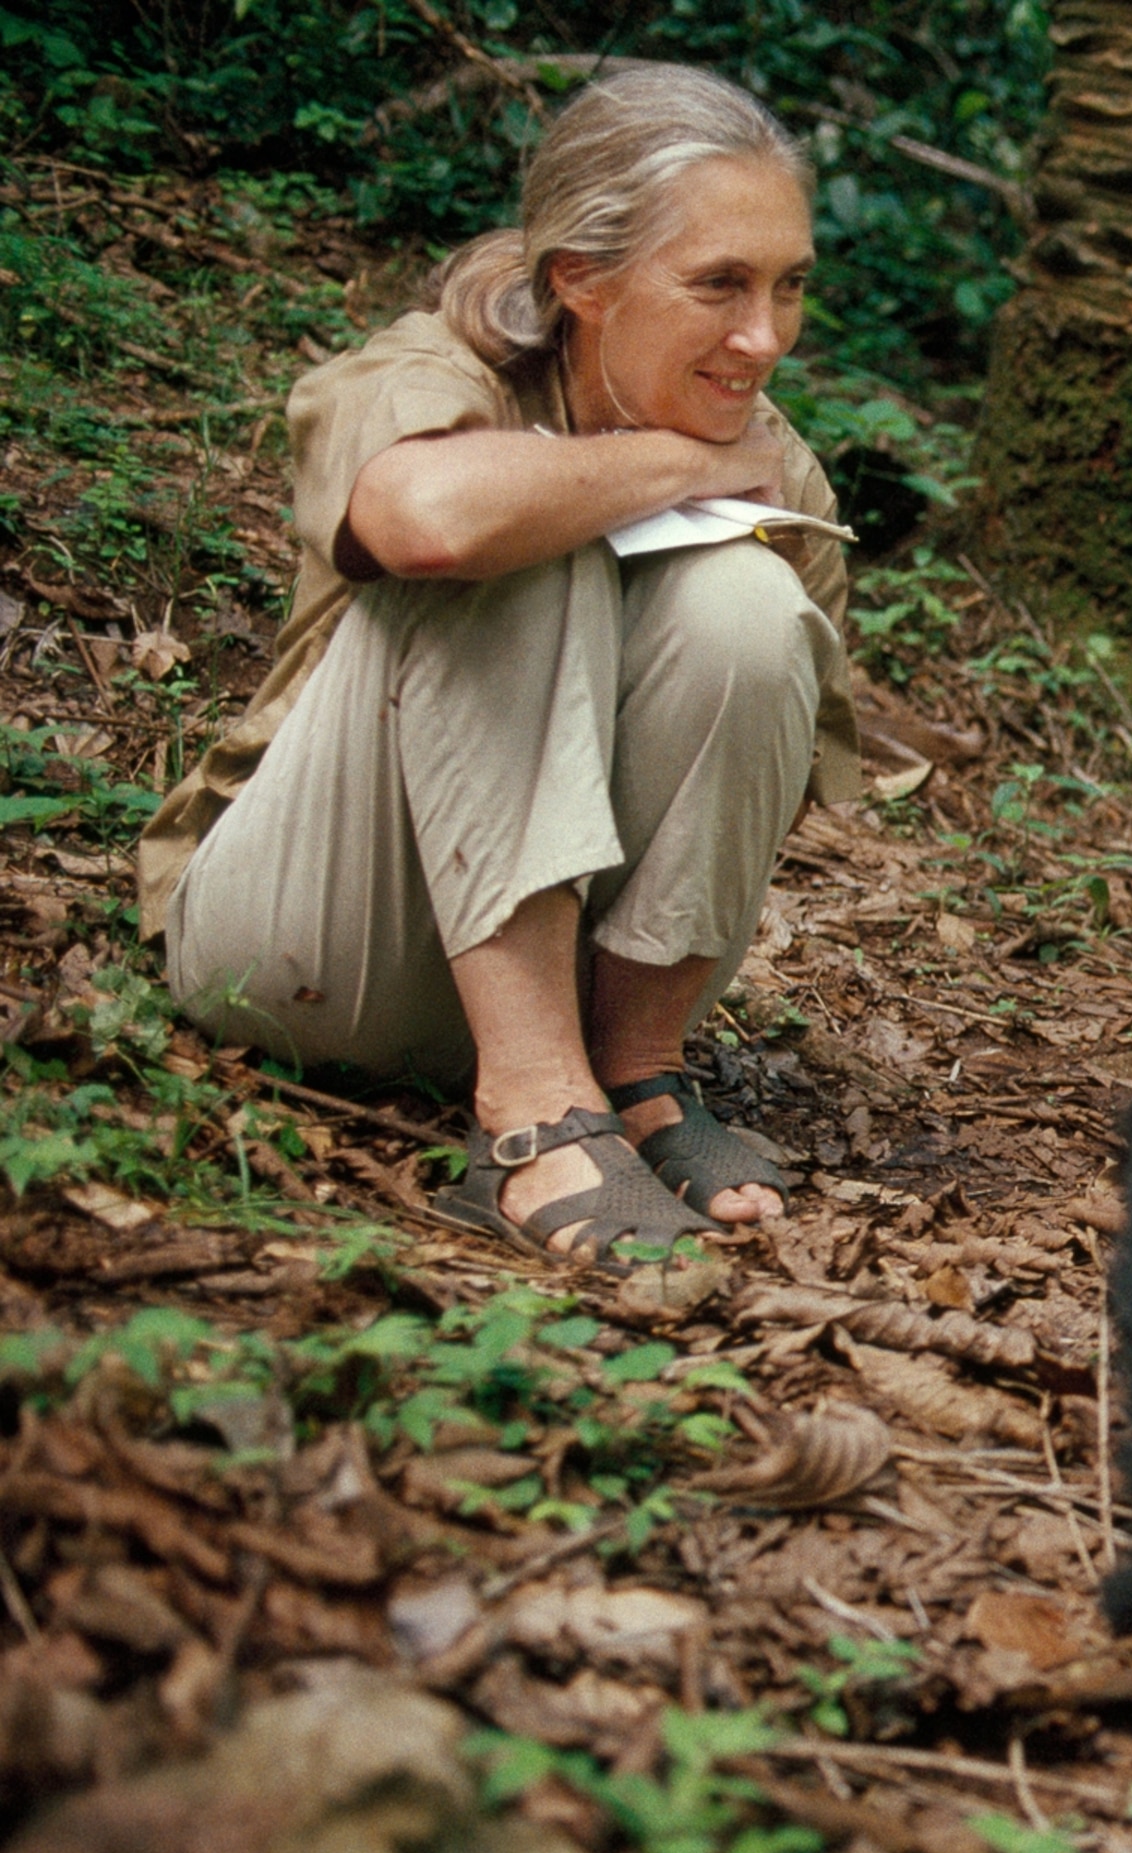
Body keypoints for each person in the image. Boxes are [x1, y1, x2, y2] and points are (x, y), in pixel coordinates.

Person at [136, 63, 859, 1267]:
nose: (763, 337)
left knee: (748, 601)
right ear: (580, 278)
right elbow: (425, 519)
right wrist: (676, 468)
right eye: (720, 284)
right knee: (518, 537)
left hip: (569, 964)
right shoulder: (437, 366)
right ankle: (532, 1114)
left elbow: (756, 785)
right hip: (312, 944)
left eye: (789, 288)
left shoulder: (780, 466)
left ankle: (635, 1077)